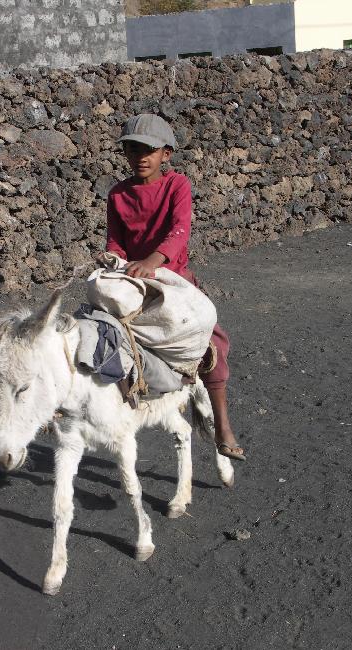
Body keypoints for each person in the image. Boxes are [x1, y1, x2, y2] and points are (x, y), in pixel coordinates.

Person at [100, 113, 246, 461]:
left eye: (148, 150)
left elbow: (179, 232)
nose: (141, 157)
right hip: (132, 280)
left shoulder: (177, 186)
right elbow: (115, 240)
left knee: (213, 342)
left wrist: (152, 262)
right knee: (94, 330)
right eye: (133, 149)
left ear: (166, 154)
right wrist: (113, 260)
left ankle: (222, 425)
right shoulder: (117, 195)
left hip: (173, 279)